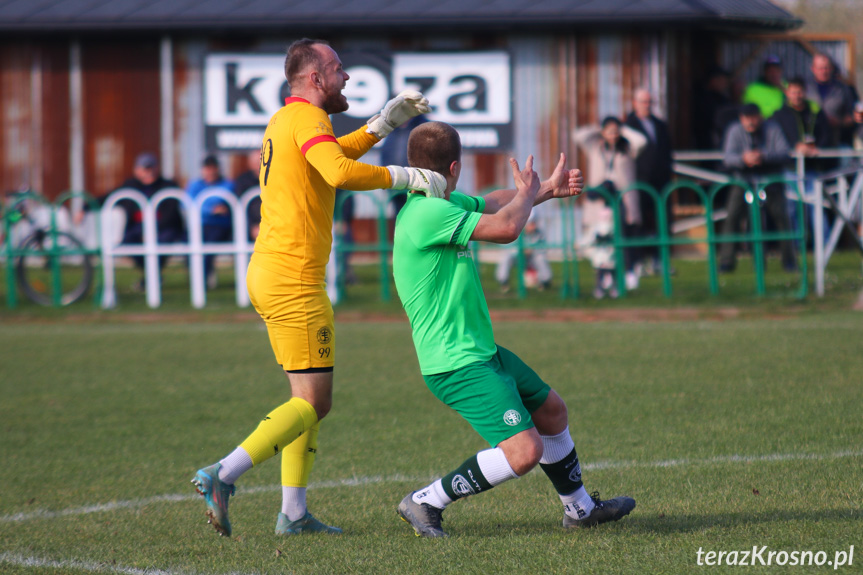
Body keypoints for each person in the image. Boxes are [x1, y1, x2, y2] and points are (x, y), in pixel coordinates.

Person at [191, 38, 446, 539]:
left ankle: (293, 514)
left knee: (303, 397)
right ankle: (222, 474)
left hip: (271, 273)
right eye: (337, 68)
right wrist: (408, 176)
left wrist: (382, 124)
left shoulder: (290, 119)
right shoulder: (307, 120)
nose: (346, 76)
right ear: (314, 79)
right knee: (315, 402)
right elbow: (338, 171)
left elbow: (331, 157)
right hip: (293, 280)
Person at [392, 121, 635, 538]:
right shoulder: (429, 212)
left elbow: (492, 204)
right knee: (524, 452)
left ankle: (580, 511)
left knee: (552, 411)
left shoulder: (437, 201)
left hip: (480, 352)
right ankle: (426, 500)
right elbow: (506, 227)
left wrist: (543, 191)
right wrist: (526, 196)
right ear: (455, 166)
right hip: (456, 362)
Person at [719, 104, 795, 273]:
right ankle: (726, 262)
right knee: (732, 217)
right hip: (742, 180)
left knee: (781, 218)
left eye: (754, 117)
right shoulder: (734, 130)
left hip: (770, 180)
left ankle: (789, 260)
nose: (750, 122)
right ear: (741, 119)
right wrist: (743, 159)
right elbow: (728, 157)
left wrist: (764, 156)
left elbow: (785, 152)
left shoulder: (772, 128)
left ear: (760, 117)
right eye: (747, 118)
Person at [573, 117, 647, 289]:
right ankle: (604, 276)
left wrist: (623, 130)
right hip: (600, 202)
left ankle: (628, 271)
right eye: (609, 132)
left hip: (623, 200)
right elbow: (579, 136)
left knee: (622, 235)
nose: (612, 136)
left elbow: (642, 141)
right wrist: (599, 128)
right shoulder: (596, 148)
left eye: (615, 132)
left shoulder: (627, 149)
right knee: (602, 238)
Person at [106, 152, 185, 290]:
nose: (148, 172)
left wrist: (151, 231)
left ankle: (151, 278)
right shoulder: (129, 186)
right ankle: (152, 277)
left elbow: (171, 215)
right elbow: (108, 197)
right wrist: (84, 207)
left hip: (164, 228)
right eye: (144, 169)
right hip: (137, 229)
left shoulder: (168, 186)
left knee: (163, 241)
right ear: (136, 170)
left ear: (157, 169)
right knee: (128, 242)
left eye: (150, 168)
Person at [772, 77, 831, 240]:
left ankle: (825, 243)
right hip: (790, 169)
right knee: (791, 208)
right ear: (787, 93)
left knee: (817, 206)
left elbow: (826, 135)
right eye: (793, 92)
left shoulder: (815, 112)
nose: (796, 96)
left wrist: (817, 148)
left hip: (812, 168)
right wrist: (794, 147)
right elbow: (777, 139)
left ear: (804, 93)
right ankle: (795, 245)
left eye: (799, 92)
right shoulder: (779, 115)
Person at [625, 88, 673, 274]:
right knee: (639, 222)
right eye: (643, 102)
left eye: (649, 102)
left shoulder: (660, 124)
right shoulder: (628, 125)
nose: (646, 106)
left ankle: (659, 260)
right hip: (639, 182)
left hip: (661, 182)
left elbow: (667, 151)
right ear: (635, 103)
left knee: (662, 221)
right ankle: (638, 262)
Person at [186, 154, 234, 288]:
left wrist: (206, 208)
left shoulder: (228, 184)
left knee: (208, 245)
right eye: (208, 168)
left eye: (213, 168)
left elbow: (226, 205)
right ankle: (197, 278)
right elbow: (187, 204)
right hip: (199, 226)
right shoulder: (195, 185)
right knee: (189, 244)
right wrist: (210, 210)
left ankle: (200, 281)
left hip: (220, 226)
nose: (210, 171)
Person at [806, 53, 858, 148]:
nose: (823, 71)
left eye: (826, 68)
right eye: (820, 68)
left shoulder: (842, 89)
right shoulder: (806, 88)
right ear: (813, 69)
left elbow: (853, 116)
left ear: (831, 69)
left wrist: (839, 122)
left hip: (835, 141)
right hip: (811, 142)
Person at [495, 216, 552, 292]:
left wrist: (532, 250)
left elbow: (543, 248)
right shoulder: (516, 231)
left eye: (534, 223)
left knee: (540, 258)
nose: (533, 226)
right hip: (517, 257)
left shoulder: (539, 233)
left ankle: (545, 281)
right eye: (531, 224)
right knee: (506, 257)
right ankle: (503, 281)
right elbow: (508, 247)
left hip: (532, 257)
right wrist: (521, 250)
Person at [577, 193, 618, 299]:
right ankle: (601, 289)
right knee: (601, 273)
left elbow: (590, 237)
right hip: (601, 255)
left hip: (609, 254)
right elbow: (589, 237)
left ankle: (612, 289)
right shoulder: (598, 227)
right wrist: (581, 243)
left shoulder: (613, 226)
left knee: (610, 272)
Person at [742, 55, 785, 120]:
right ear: (765, 72)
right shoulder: (752, 89)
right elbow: (746, 111)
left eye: (776, 70)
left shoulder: (788, 88)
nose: (773, 74)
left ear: (781, 71)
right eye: (770, 71)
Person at [233, 149, 262, 241]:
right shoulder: (242, 181)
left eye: (261, 162)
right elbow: (239, 205)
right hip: (247, 228)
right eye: (256, 162)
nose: (259, 166)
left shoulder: (273, 179)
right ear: (250, 164)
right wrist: (251, 227)